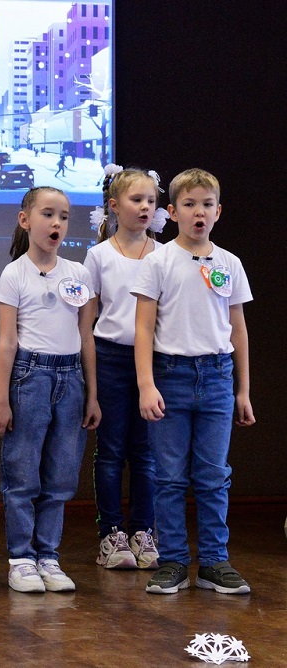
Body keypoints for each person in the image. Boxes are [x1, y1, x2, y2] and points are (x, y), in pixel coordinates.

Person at [133, 168, 255, 595]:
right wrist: (146, 384)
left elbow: (238, 329)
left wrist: (243, 390)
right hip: (171, 376)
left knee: (213, 475)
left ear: (218, 212)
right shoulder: (158, 261)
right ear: (172, 212)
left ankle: (214, 562)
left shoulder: (229, 263)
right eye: (189, 205)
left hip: (218, 377)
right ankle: (172, 561)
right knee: (169, 477)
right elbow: (143, 327)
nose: (198, 213)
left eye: (206, 205)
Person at [0, 186, 100, 593]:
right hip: (30, 376)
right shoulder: (14, 273)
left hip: (71, 379)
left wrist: (91, 393)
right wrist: (1, 399)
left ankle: (48, 556)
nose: (57, 224)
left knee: (61, 474)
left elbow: (86, 336)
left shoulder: (78, 274)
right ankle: (21, 558)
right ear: (25, 220)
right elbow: (7, 341)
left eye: (64, 217)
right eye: (48, 214)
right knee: (22, 473)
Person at [84, 166, 167, 571]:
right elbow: (88, 318)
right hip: (111, 359)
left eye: (151, 200)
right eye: (136, 200)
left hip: (153, 362)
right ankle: (111, 533)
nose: (145, 207)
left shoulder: (165, 254)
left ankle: (143, 530)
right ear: (115, 206)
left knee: (146, 453)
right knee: (112, 451)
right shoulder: (99, 255)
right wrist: (90, 381)